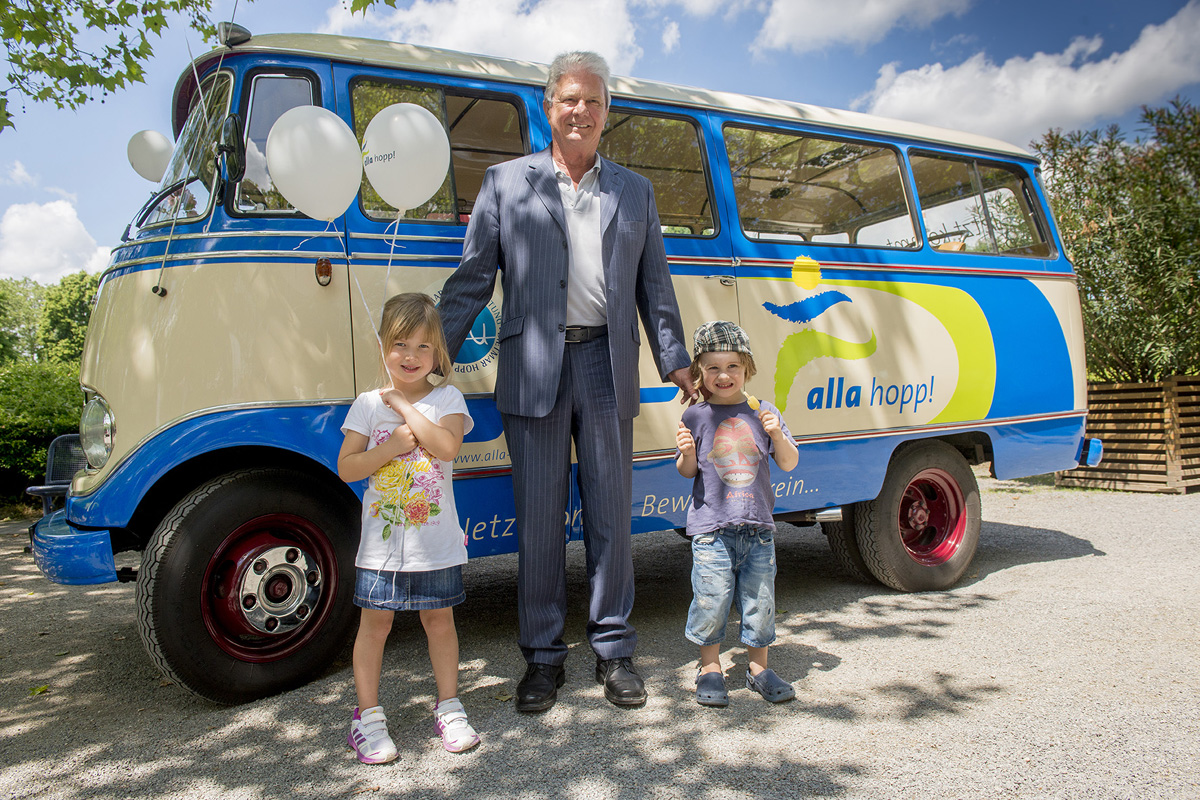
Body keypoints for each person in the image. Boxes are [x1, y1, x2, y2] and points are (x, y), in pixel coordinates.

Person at [438, 50, 695, 712]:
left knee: (612, 516)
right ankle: (544, 659)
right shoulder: (505, 182)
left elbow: (654, 287)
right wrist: (430, 351)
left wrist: (674, 358)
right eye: (569, 98)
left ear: (606, 113)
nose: (580, 110)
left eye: (594, 100)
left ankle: (614, 652)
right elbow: (474, 276)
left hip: (607, 367)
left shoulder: (635, 191)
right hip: (533, 370)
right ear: (548, 106)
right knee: (541, 523)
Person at [337, 293, 480, 762]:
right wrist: (390, 447)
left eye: (423, 347)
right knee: (374, 626)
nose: (412, 356)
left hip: (435, 543)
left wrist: (403, 405)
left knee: (440, 621)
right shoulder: (365, 404)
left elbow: (446, 447)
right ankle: (368, 717)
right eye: (400, 344)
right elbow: (348, 468)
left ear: (438, 353)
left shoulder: (447, 399)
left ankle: (450, 707)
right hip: (380, 548)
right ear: (383, 347)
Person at [675, 320, 799, 707]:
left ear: (747, 369)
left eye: (732, 367)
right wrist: (688, 453)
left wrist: (777, 434)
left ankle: (758, 668)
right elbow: (687, 472)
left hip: (758, 529)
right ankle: (709, 667)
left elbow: (789, 462)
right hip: (711, 529)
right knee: (711, 600)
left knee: (760, 601)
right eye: (712, 367)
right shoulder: (695, 416)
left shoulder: (764, 411)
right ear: (699, 373)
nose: (723, 375)